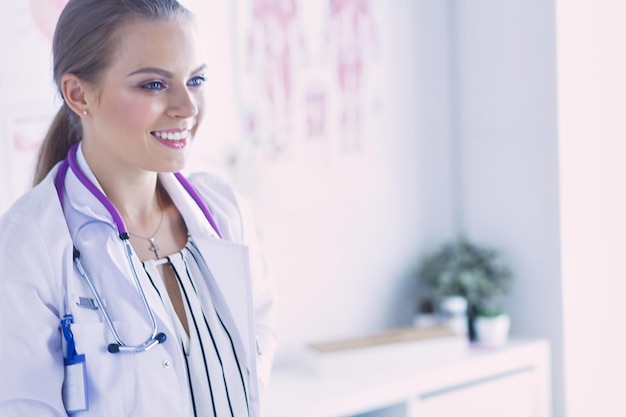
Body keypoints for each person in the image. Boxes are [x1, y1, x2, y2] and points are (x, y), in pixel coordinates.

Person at [0, 0, 277, 416]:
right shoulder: (28, 245)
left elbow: (257, 351)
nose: (188, 106)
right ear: (78, 95)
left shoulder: (223, 213)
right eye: (154, 85)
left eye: (196, 79)